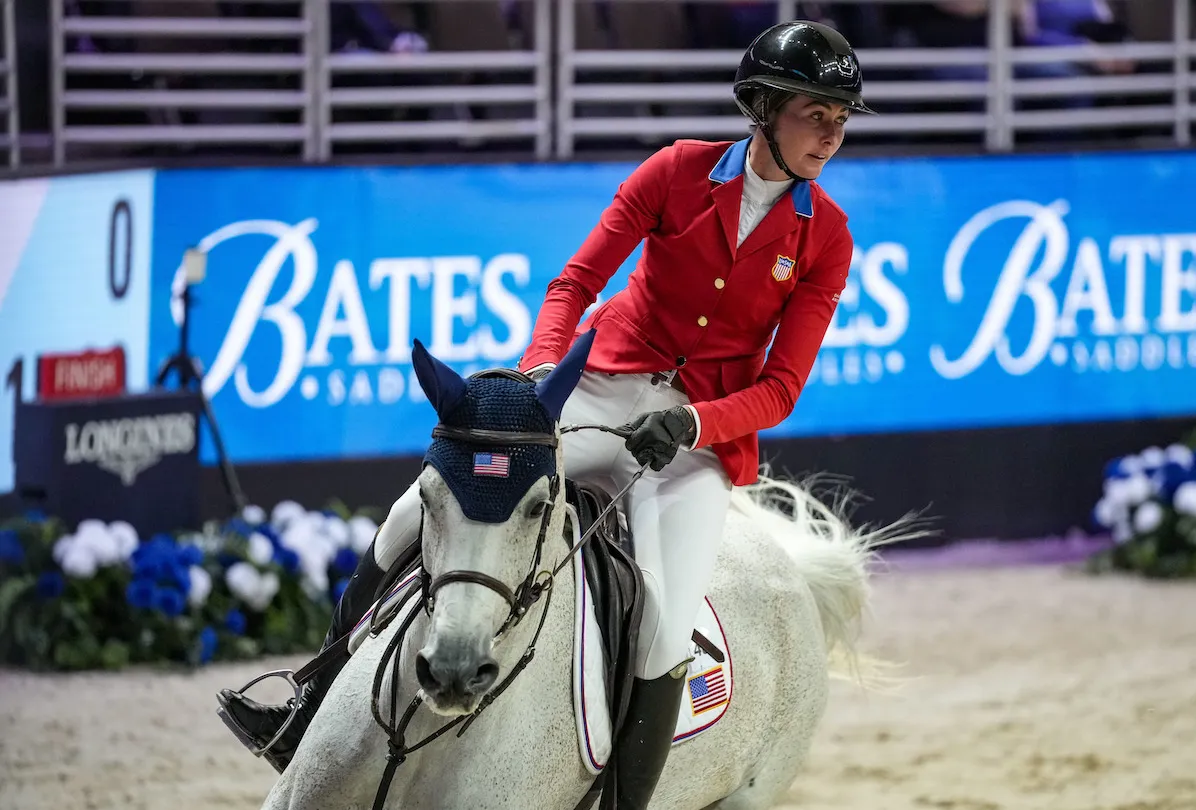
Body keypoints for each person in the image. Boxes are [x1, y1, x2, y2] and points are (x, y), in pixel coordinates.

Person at [214, 18, 873, 808]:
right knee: (406, 519)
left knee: (665, 628)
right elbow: (573, 286)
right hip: (598, 389)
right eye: (817, 113)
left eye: (841, 121)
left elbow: (782, 388)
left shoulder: (825, 236)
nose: (831, 135)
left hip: (693, 438)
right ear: (762, 106)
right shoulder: (675, 173)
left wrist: (696, 425)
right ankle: (308, 704)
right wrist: (535, 381)